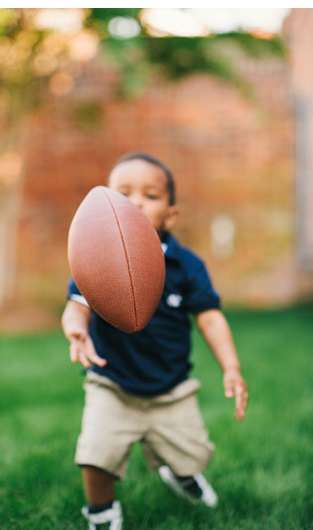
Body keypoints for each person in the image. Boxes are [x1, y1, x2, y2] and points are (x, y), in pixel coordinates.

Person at [62, 153, 248, 529]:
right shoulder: (95, 259)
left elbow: (210, 317)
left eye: (149, 195)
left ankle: (181, 474)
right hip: (112, 382)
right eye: (123, 194)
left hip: (172, 387)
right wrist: (76, 327)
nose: (135, 203)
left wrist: (231, 367)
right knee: (96, 454)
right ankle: (102, 512)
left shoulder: (187, 265)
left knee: (191, 454)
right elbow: (76, 305)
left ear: (170, 215)